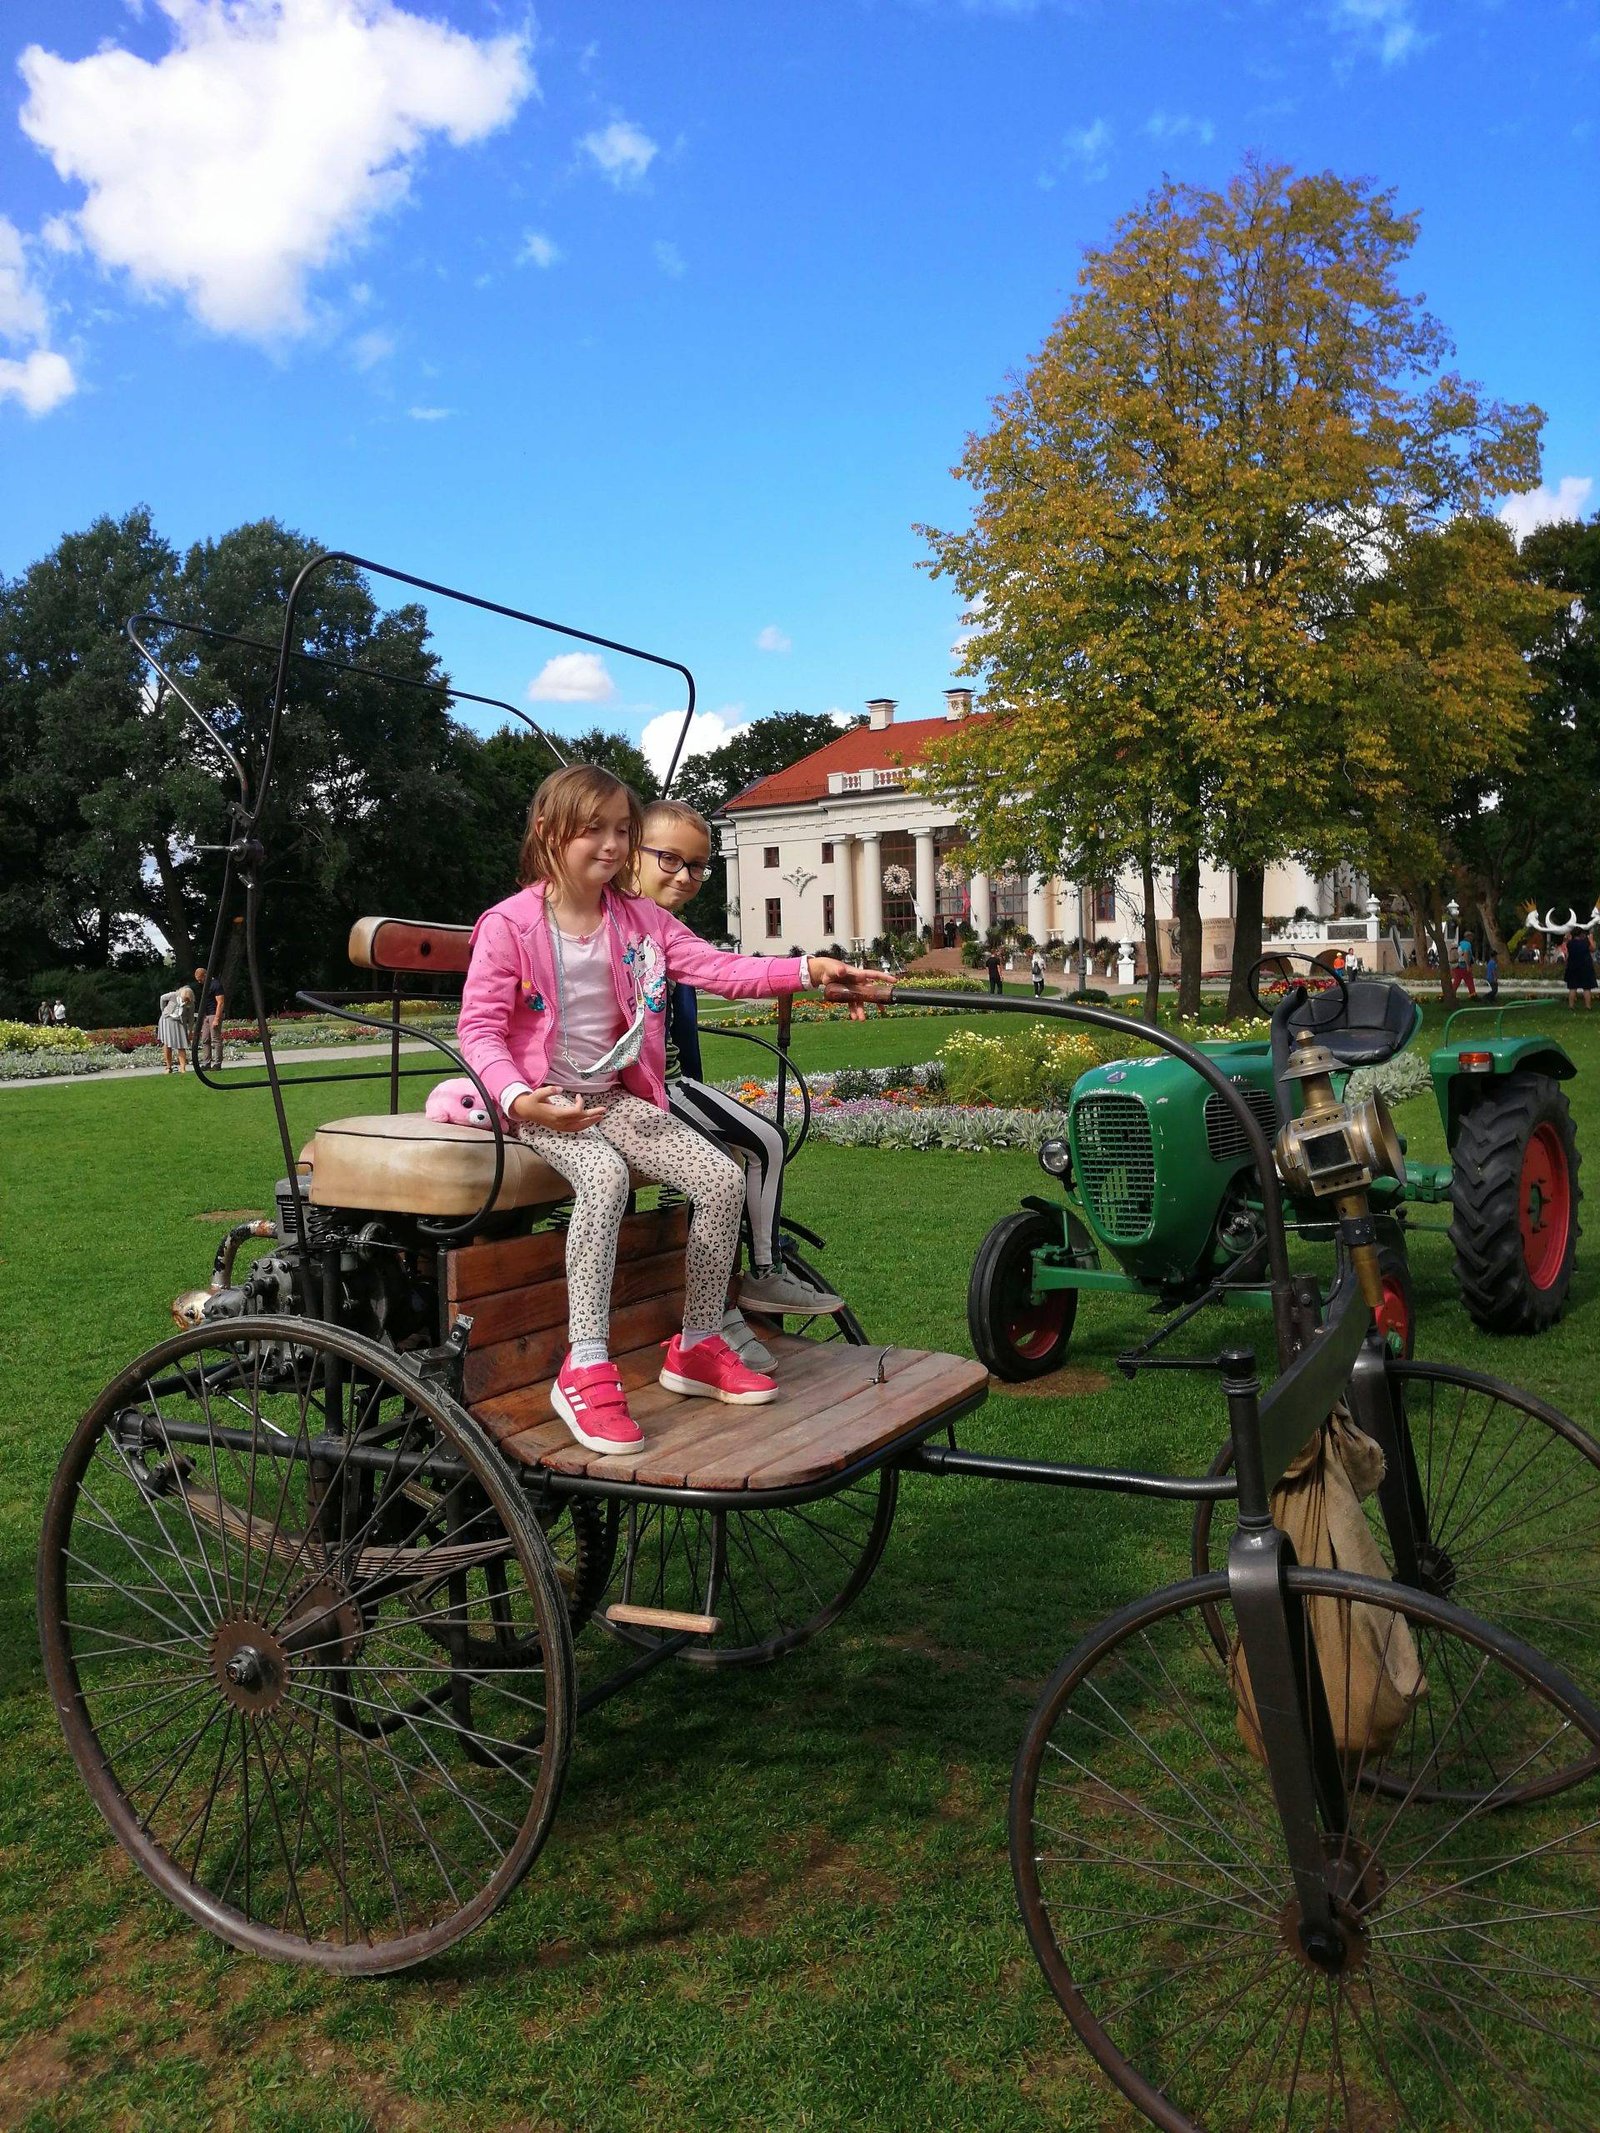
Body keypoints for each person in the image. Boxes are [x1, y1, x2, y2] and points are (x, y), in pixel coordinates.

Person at [457, 764, 878, 1455]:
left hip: (615, 1098)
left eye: (623, 830)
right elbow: (478, 1030)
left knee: (721, 1178)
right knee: (603, 1177)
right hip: (543, 1102)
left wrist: (808, 970)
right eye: (594, 830)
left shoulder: (638, 919)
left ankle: (699, 1341)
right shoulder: (510, 925)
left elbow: (720, 968)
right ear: (547, 831)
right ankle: (585, 1364)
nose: (614, 845)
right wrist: (517, 1095)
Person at [631, 799, 844, 1369]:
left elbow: (722, 972)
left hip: (669, 1083)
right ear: (632, 854)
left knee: (760, 1142)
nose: (687, 877)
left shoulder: (664, 930)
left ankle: (753, 1281)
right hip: (638, 1090)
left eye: (699, 866)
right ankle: (727, 1305)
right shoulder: (616, 926)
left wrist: (806, 971)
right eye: (670, 860)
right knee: (742, 1155)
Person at [156, 983, 195, 1073]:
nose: (185, 1001)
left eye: (187, 1000)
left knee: (181, 1045)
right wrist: (164, 1010)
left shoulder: (190, 1003)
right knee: (167, 1044)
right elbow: (162, 998)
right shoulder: (174, 995)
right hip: (167, 1020)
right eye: (184, 999)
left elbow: (191, 1018)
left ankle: (183, 1068)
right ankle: (168, 1067)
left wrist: (190, 1031)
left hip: (180, 1023)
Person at [194, 965, 226, 1068]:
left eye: (200, 979)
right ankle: (206, 1062)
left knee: (215, 1038)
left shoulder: (216, 985)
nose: (199, 982)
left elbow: (220, 1002)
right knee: (205, 1039)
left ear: (205, 975)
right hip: (205, 1015)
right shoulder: (205, 986)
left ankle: (217, 1063)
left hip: (213, 1013)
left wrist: (217, 1018)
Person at [1563, 928, 1595, 1009]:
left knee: (1572, 987)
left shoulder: (1570, 944)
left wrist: (1567, 938)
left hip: (1573, 967)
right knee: (1587, 988)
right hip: (1585, 967)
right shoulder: (1585, 943)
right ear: (1581, 934)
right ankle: (1588, 1006)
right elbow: (1593, 949)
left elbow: (1565, 945)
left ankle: (1571, 1005)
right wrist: (1591, 939)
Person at [1454, 934, 1476, 998]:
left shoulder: (1461, 943)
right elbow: (1466, 954)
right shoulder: (1467, 944)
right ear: (1468, 937)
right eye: (1472, 937)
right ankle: (1473, 994)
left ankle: (1452, 993)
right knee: (1469, 980)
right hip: (1464, 964)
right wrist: (1468, 965)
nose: (1472, 939)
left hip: (1459, 964)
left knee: (1457, 981)